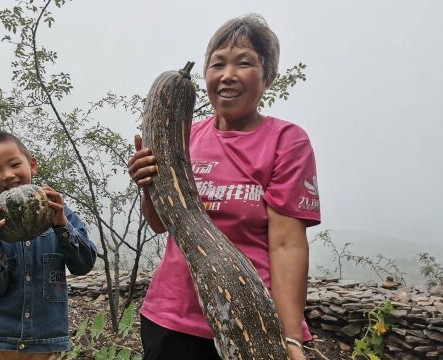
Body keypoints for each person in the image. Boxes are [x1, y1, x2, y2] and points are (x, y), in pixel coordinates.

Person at [127, 14, 320, 360]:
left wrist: (290, 337)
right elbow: (161, 224)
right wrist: (148, 186)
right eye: (218, 64)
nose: (227, 75)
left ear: (268, 76)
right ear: (206, 76)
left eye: (243, 63)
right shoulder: (182, 136)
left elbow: (287, 244)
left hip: (252, 321)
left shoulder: (286, 141)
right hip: (170, 319)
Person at [0, 131, 97, 360]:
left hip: (45, 343)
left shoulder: (59, 213)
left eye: (15, 164)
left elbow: (83, 265)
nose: (7, 175)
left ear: (32, 165)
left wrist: (61, 226)